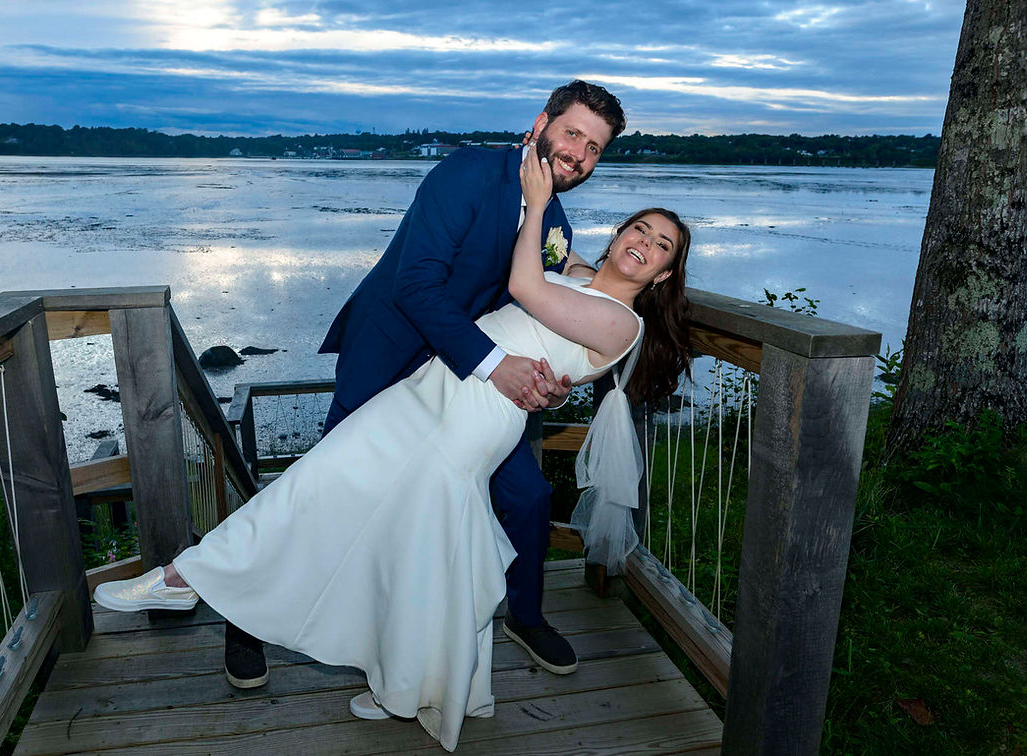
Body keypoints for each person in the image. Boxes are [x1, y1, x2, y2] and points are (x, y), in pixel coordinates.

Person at [94, 140, 692, 750]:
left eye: (661, 246)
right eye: (639, 228)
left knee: (375, 520)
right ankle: (393, 678)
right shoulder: (576, 268)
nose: (643, 243)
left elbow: (524, 287)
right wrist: (559, 384)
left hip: (471, 415)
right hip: (429, 385)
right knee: (376, 516)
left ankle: (194, 582)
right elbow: (538, 322)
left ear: (665, 274)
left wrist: (535, 203)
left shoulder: (623, 321)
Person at [314, 80, 628, 680]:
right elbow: (416, 287)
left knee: (530, 497)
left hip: (463, 376)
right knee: (330, 486)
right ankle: (242, 616)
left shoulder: (550, 208)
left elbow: (560, 275)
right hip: (389, 351)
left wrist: (566, 361)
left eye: (594, 148)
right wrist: (498, 365)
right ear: (540, 124)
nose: (579, 155)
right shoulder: (465, 172)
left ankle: (526, 614)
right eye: (573, 135)